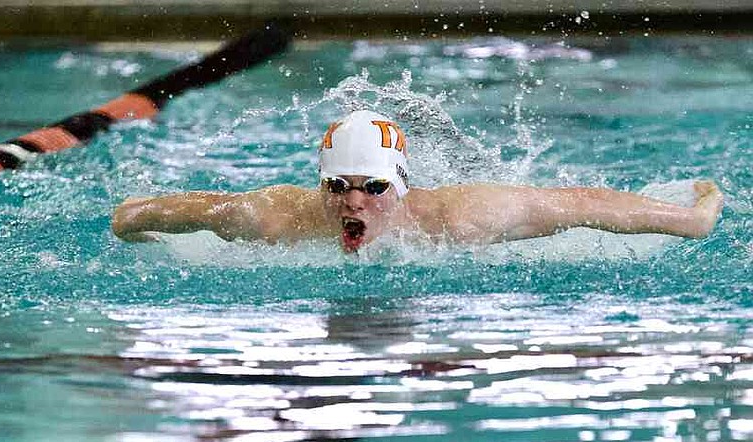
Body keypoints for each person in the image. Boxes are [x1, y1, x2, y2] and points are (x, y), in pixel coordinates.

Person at [112, 110, 723, 253]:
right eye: (340, 186)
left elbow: (578, 204)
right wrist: (133, 219)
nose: (354, 200)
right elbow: (187, 208)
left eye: (373, 188)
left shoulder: (462, 217)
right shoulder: (277, 217)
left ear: (399, 185)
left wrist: (687, 219)